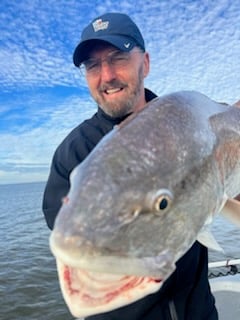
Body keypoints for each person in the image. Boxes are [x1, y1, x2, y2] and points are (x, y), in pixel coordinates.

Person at [42, 12, 218, 320]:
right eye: (93, 65)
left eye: (118, 57)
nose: (106, 74)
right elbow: (78, 247)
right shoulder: (72, 154)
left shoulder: (192, 127)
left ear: (145, 63)